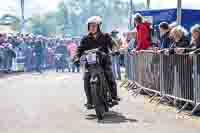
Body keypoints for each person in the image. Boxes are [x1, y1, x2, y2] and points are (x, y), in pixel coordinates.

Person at [74, 16, 120, 109]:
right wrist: (76, 58)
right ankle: (90, 101)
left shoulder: (105, 36)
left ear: (98, 26)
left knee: (109, 75)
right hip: (90, 64)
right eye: (90, 26)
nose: (92, 27)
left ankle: (114, 97)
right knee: (86, 78)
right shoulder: (85, 39)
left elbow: (113, 44)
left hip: (104, 62)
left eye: (94, 26)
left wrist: (115, 50)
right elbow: (79, 50)